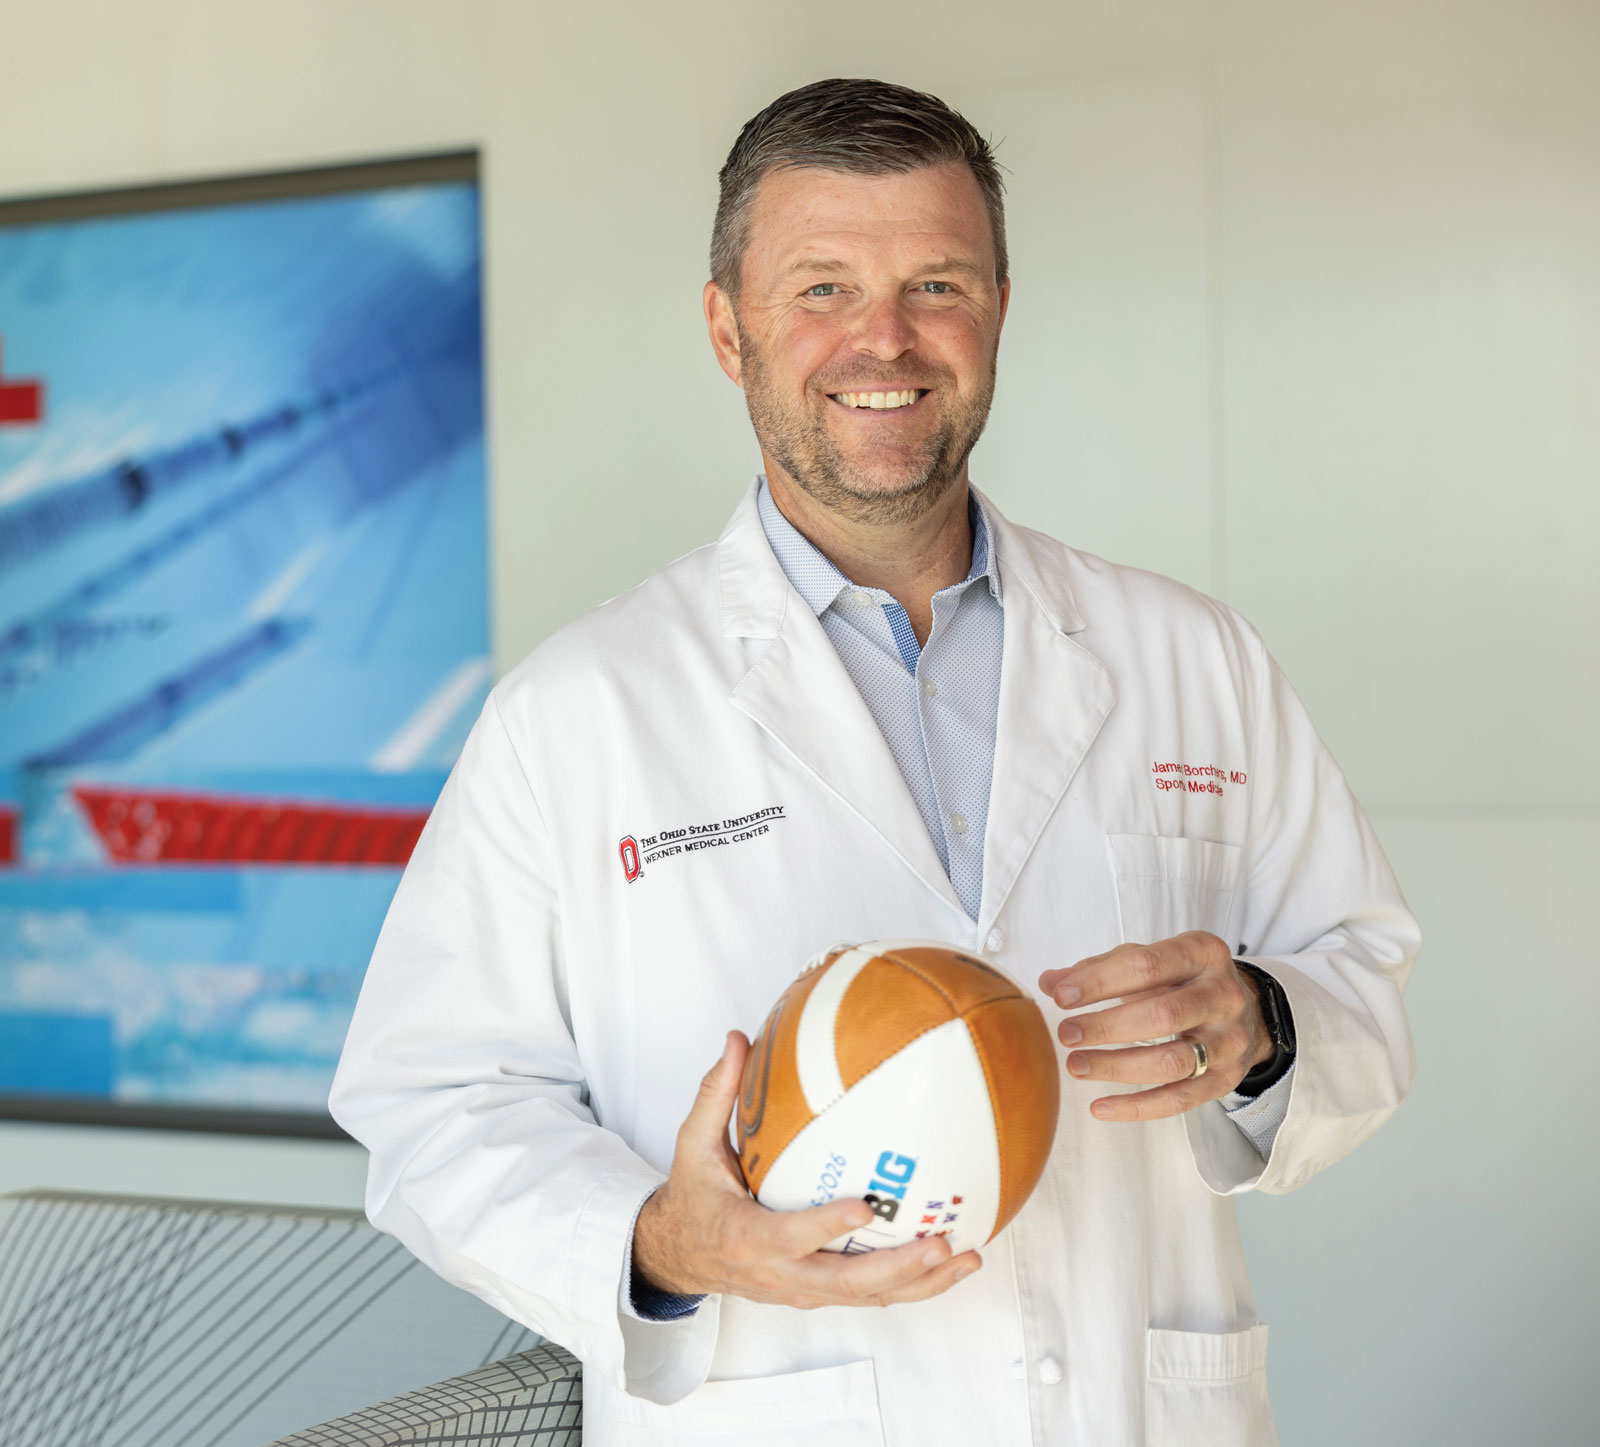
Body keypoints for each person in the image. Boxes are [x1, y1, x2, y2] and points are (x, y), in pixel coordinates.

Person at [330, 78, 1419, 1446]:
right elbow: (431, 1101)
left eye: (937, 284)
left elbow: (1362, 979)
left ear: (1002, 308)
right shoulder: (582, 710)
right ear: (728, 328)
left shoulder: (1192, 659)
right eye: (822, 289)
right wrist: (664, 1243)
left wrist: (1264, 1024)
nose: (884, 340)